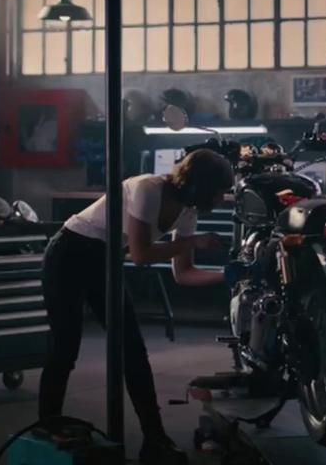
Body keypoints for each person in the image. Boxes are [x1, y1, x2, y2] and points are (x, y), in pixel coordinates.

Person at [38, 149, 233, 465]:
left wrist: (228, 276)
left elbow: (184, 274)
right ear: (200, 184)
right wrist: (192, 242)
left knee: (133, 352)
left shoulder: (188, 212)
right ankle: (47, 426)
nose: (222, 199)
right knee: (65, 346)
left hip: (104, 258)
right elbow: (141, 254)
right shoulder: (148, 188)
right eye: (219, 191)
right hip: (69, 252)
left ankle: (155, 439)